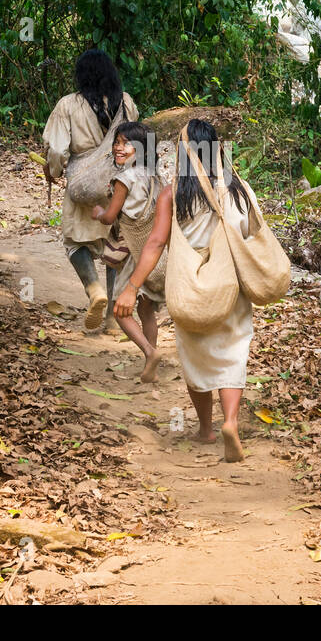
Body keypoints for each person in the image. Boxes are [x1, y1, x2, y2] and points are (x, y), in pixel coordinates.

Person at [115, 118, 258, 463]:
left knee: (195, 357)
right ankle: (232, 423)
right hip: (229, 285)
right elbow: (251, 232)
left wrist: (132, 286)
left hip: (188, 288)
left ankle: (206, 429)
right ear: (216, 150)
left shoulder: (173, 193)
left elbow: (156, 242)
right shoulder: (237, 188)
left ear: (181, 153)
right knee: (233, 351)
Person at [42, 49, 139, 330]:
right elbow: (137, 141)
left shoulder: (68, 105)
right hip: (118, 182)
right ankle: (111, 318)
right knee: (114, 246)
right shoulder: (127, 103)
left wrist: (56, 171)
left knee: (75, 242)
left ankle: (94, 290)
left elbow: (58, 150)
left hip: (83, 183)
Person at [92, 122, 166, 382]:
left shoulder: (124, 179)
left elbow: (111, 216)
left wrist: (100, 213)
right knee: (147, 311)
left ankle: (149, 352)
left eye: (125, 143)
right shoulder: (158, 177)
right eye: (117, 142)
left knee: (120, 311)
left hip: (134, 253)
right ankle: (151, 364)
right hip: (155, 253)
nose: (118, 147)